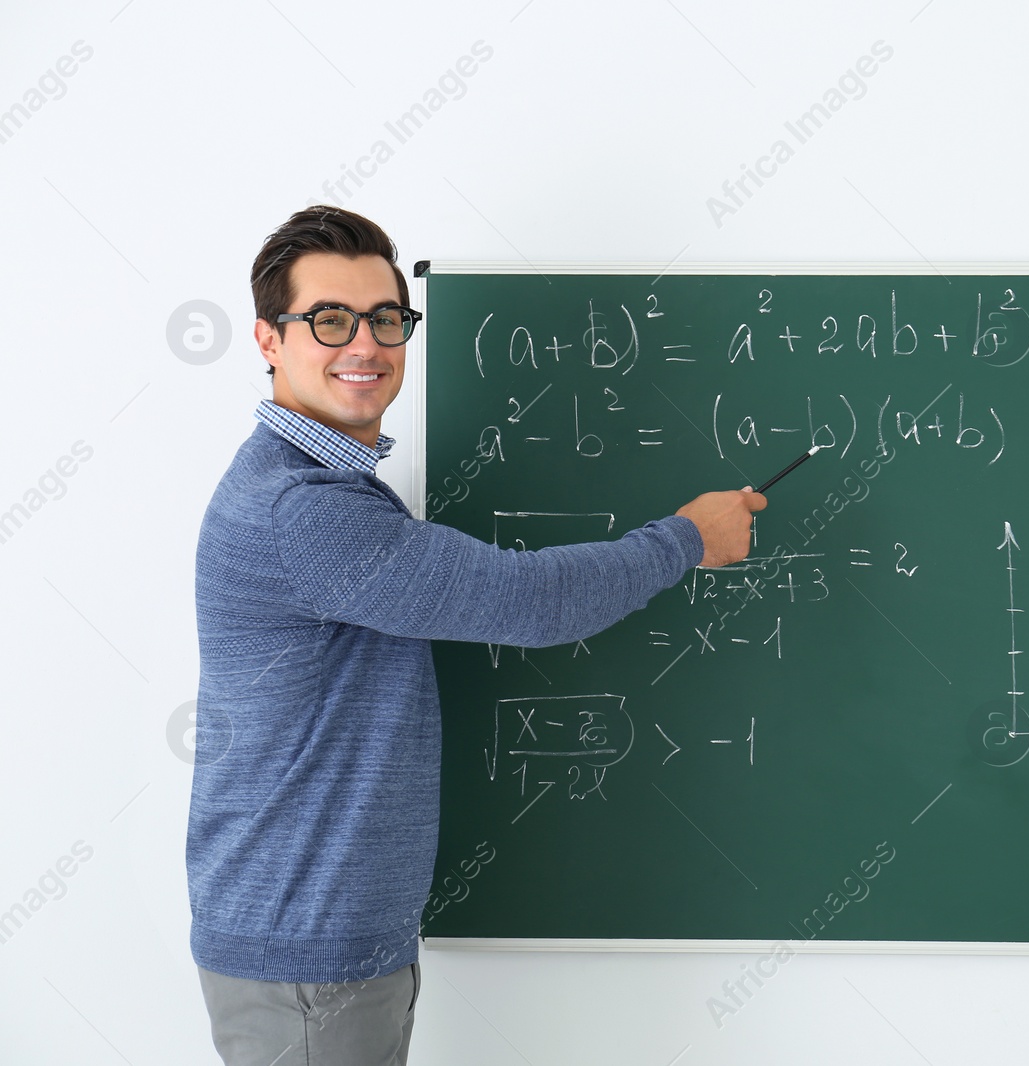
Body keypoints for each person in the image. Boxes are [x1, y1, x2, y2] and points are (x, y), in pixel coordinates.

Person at [187, 205, 764, 1065]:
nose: (366, 345)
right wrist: (687, 538)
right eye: (329, 319)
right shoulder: (303, 510)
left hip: (319, 937)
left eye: (386, 319)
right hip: (309, 952)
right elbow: (529, 604)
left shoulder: (310, 483)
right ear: (271, 339)